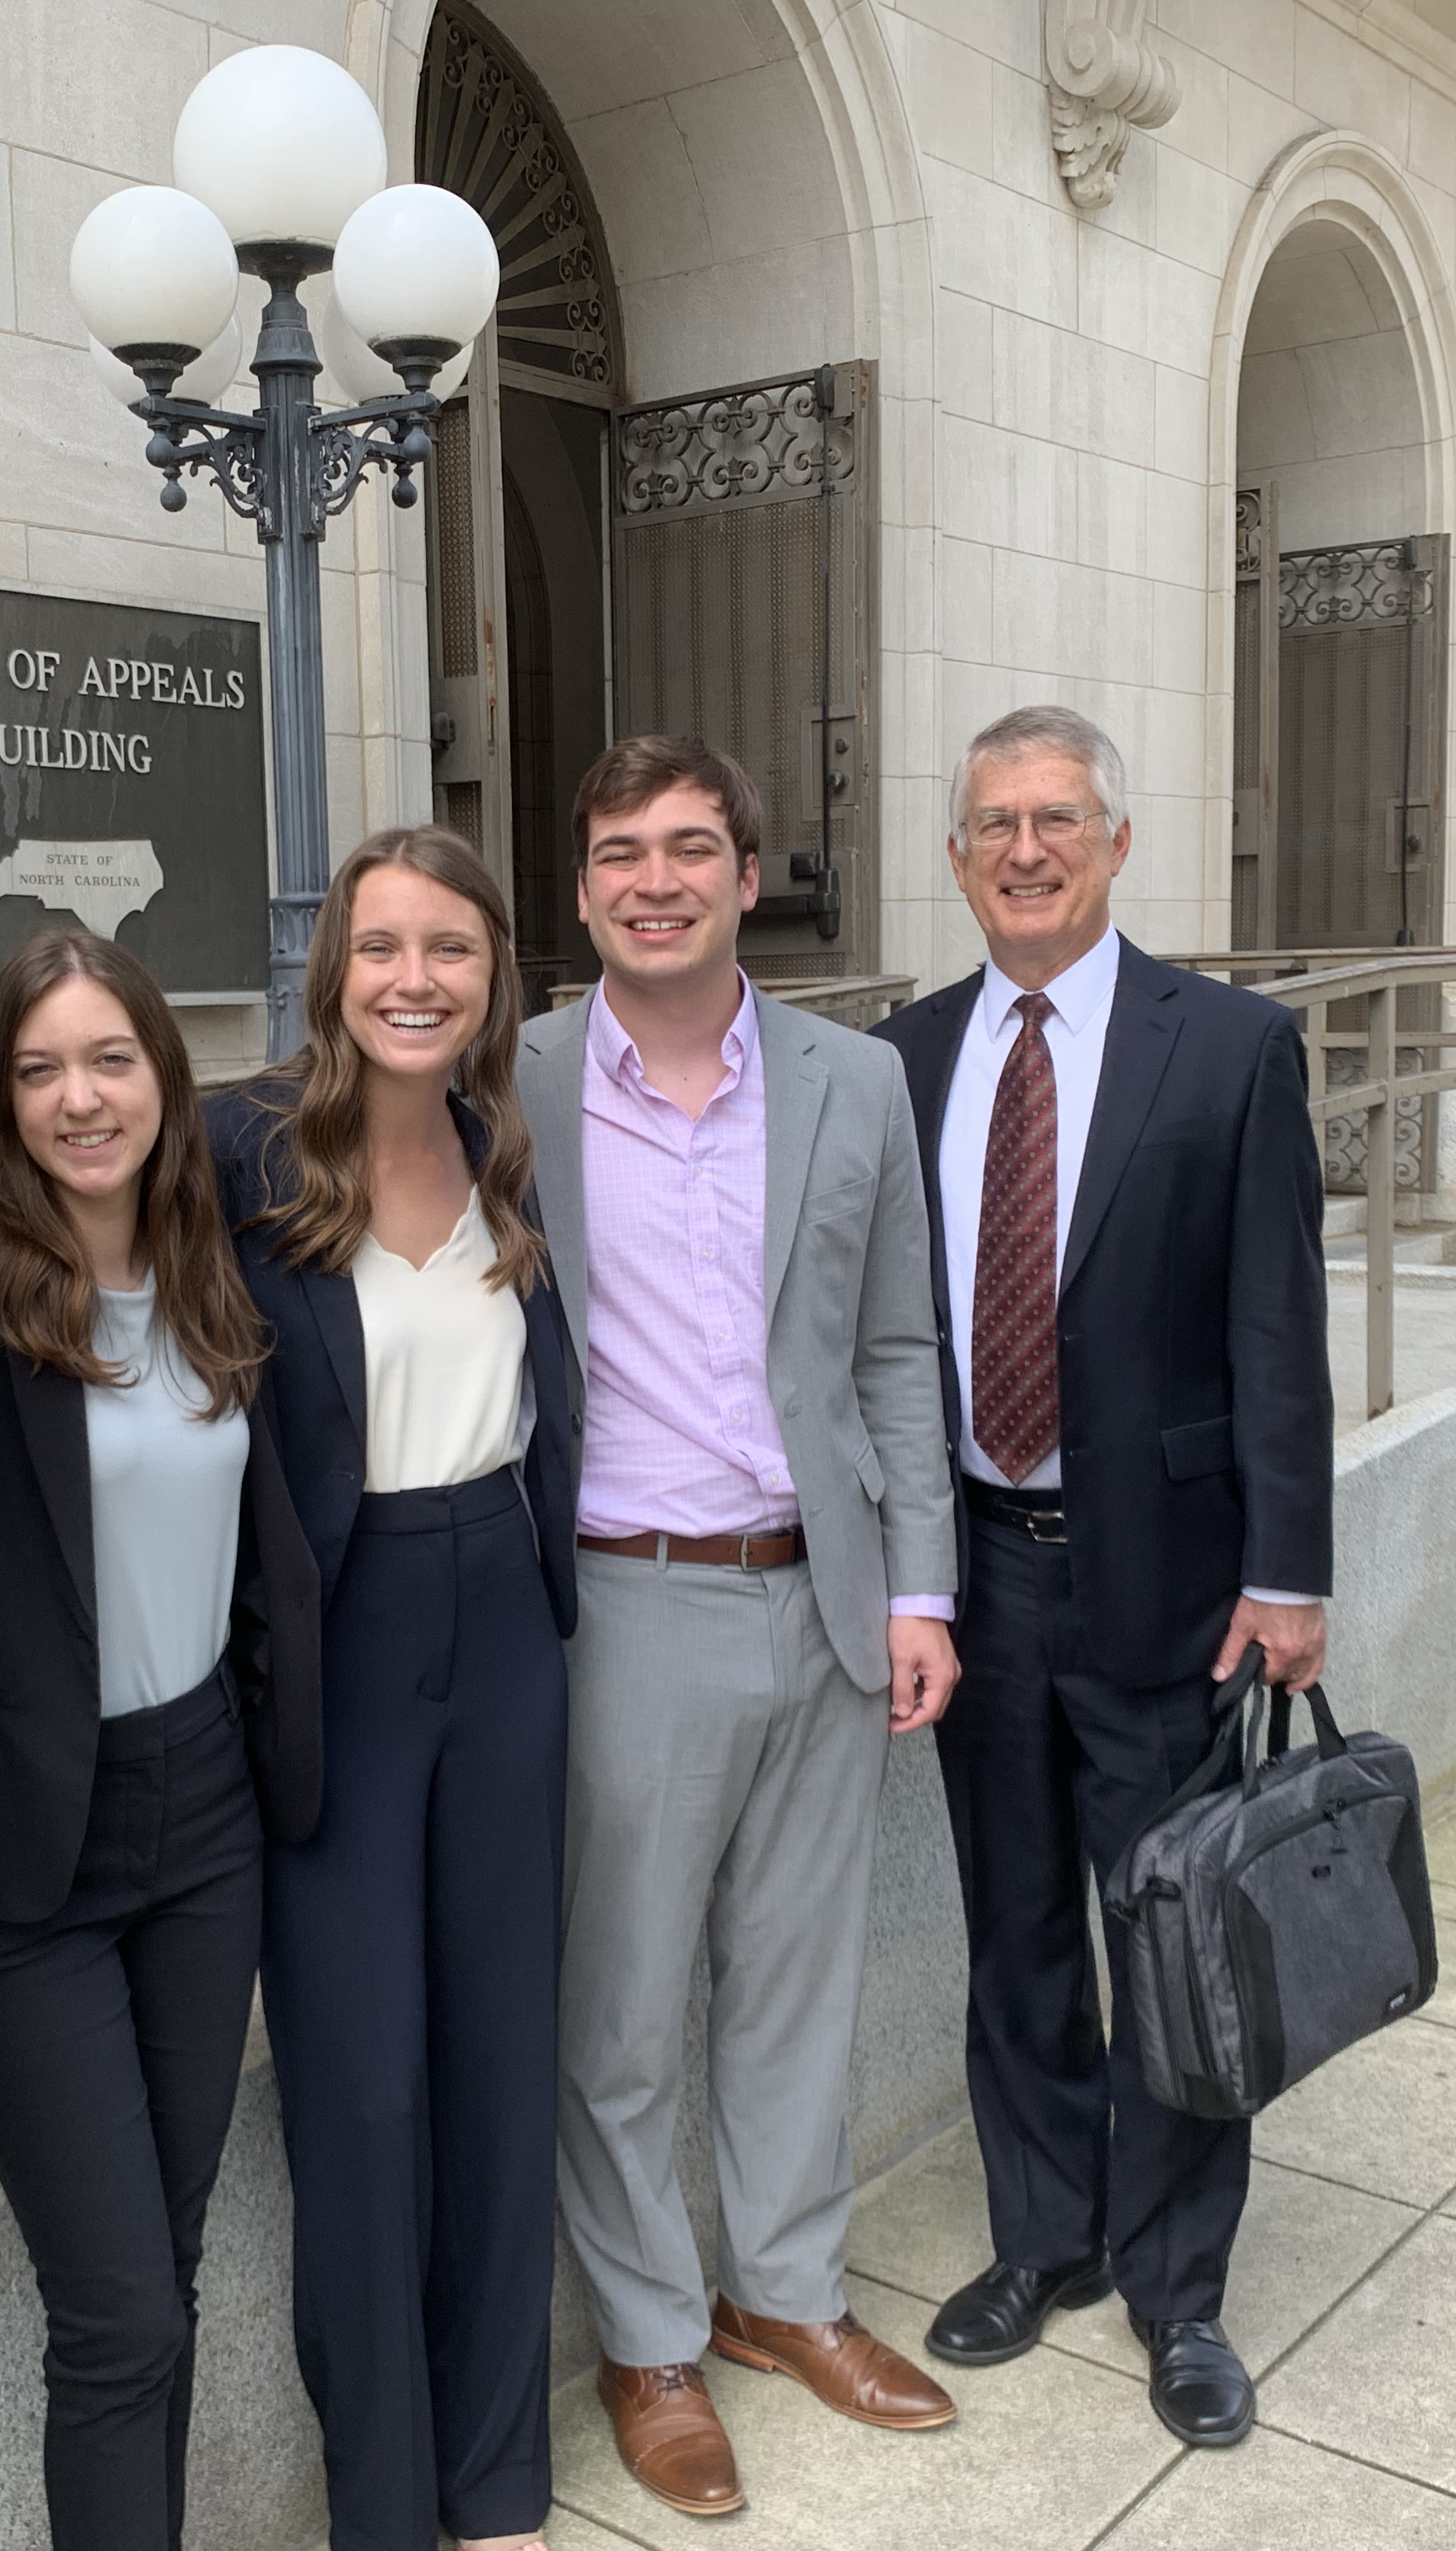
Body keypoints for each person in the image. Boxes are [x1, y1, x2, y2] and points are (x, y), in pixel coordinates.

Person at [510, 736, 963, 2521]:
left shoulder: (852, 1082)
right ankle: (646, 2337)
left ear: (747, 874)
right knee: (617, 2012)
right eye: (620, 850)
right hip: (623, 1598)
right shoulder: (516, 1072)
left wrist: (919, 1586)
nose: (655, 879)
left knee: (797, 1983)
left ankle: (787, 2296)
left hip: (827, 1597)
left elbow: (899, 1352)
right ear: (581, 887)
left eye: (690, 847)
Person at [871, 704, 1330, 2449]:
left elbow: (1275, 1327)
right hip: (978, 1576)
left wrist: (1291, 1568)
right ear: (958, 854)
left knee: (1176, 1947)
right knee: (1015, 1942)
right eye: (993, 821)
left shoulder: (1225, 1049)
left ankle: (1181, 2291)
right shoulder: (902, 1060)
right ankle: (1044, 2238)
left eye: (1057, 817)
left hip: (1172, 1586)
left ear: (1118, 841)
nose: (1025, 848)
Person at [0, 930, 321, 2551]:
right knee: (123, 2305)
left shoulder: (217, 1265)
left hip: (205, 1813)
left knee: (176, 2263)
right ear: (1, 1095)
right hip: (25, 1852)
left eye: (111, 1060)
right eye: (39, 1068)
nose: (82, 1098)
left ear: (163, 1073)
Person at [205, 830, 579, 2551]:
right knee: (362, 2094)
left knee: (501, 2061)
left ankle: (497, 2476)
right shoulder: (243, 1147)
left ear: (495, 974)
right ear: (332, 969)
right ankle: (384, 2499)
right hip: (334, 1639)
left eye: (450, 948)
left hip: (501, 1613)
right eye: (383, 948)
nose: (415, 978)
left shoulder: (504, 1143)